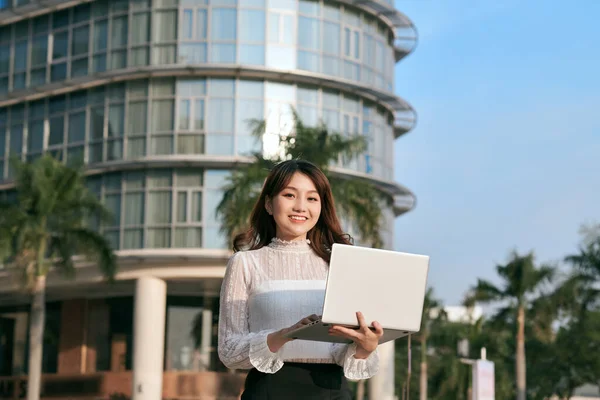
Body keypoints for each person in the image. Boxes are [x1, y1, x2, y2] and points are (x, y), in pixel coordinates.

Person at [218, 159, 384, 399]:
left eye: (312, 198)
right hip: (269, 391)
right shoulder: (245, 263)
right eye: (289, 195)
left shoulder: (339, 265)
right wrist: (282, 336)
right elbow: (229, 350)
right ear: (268, 204)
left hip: (332, 392)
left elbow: (342, 350)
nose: (300, 207)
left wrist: (365, 348)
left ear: (321, 207)